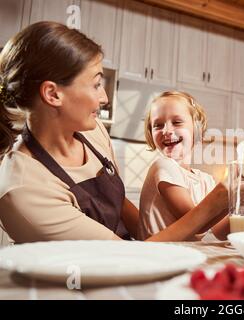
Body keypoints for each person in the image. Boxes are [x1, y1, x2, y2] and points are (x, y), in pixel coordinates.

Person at [0, 22, 229, 243]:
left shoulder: (92, 132)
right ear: (53, 94)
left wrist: (149, 234)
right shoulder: (23, 189)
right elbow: (118, 260)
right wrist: (216, 201)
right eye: (97, 84)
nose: (105, 98)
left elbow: (118, 204)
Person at [138, 91, 229, 240]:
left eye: (177, 122)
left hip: (186, 256)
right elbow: (197, 223)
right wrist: (231, 194)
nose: (166, 130)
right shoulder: (163, 166)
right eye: (158, 125)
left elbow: (222, 232)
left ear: (197, 130)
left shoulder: (205, 180)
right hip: (159, 258)